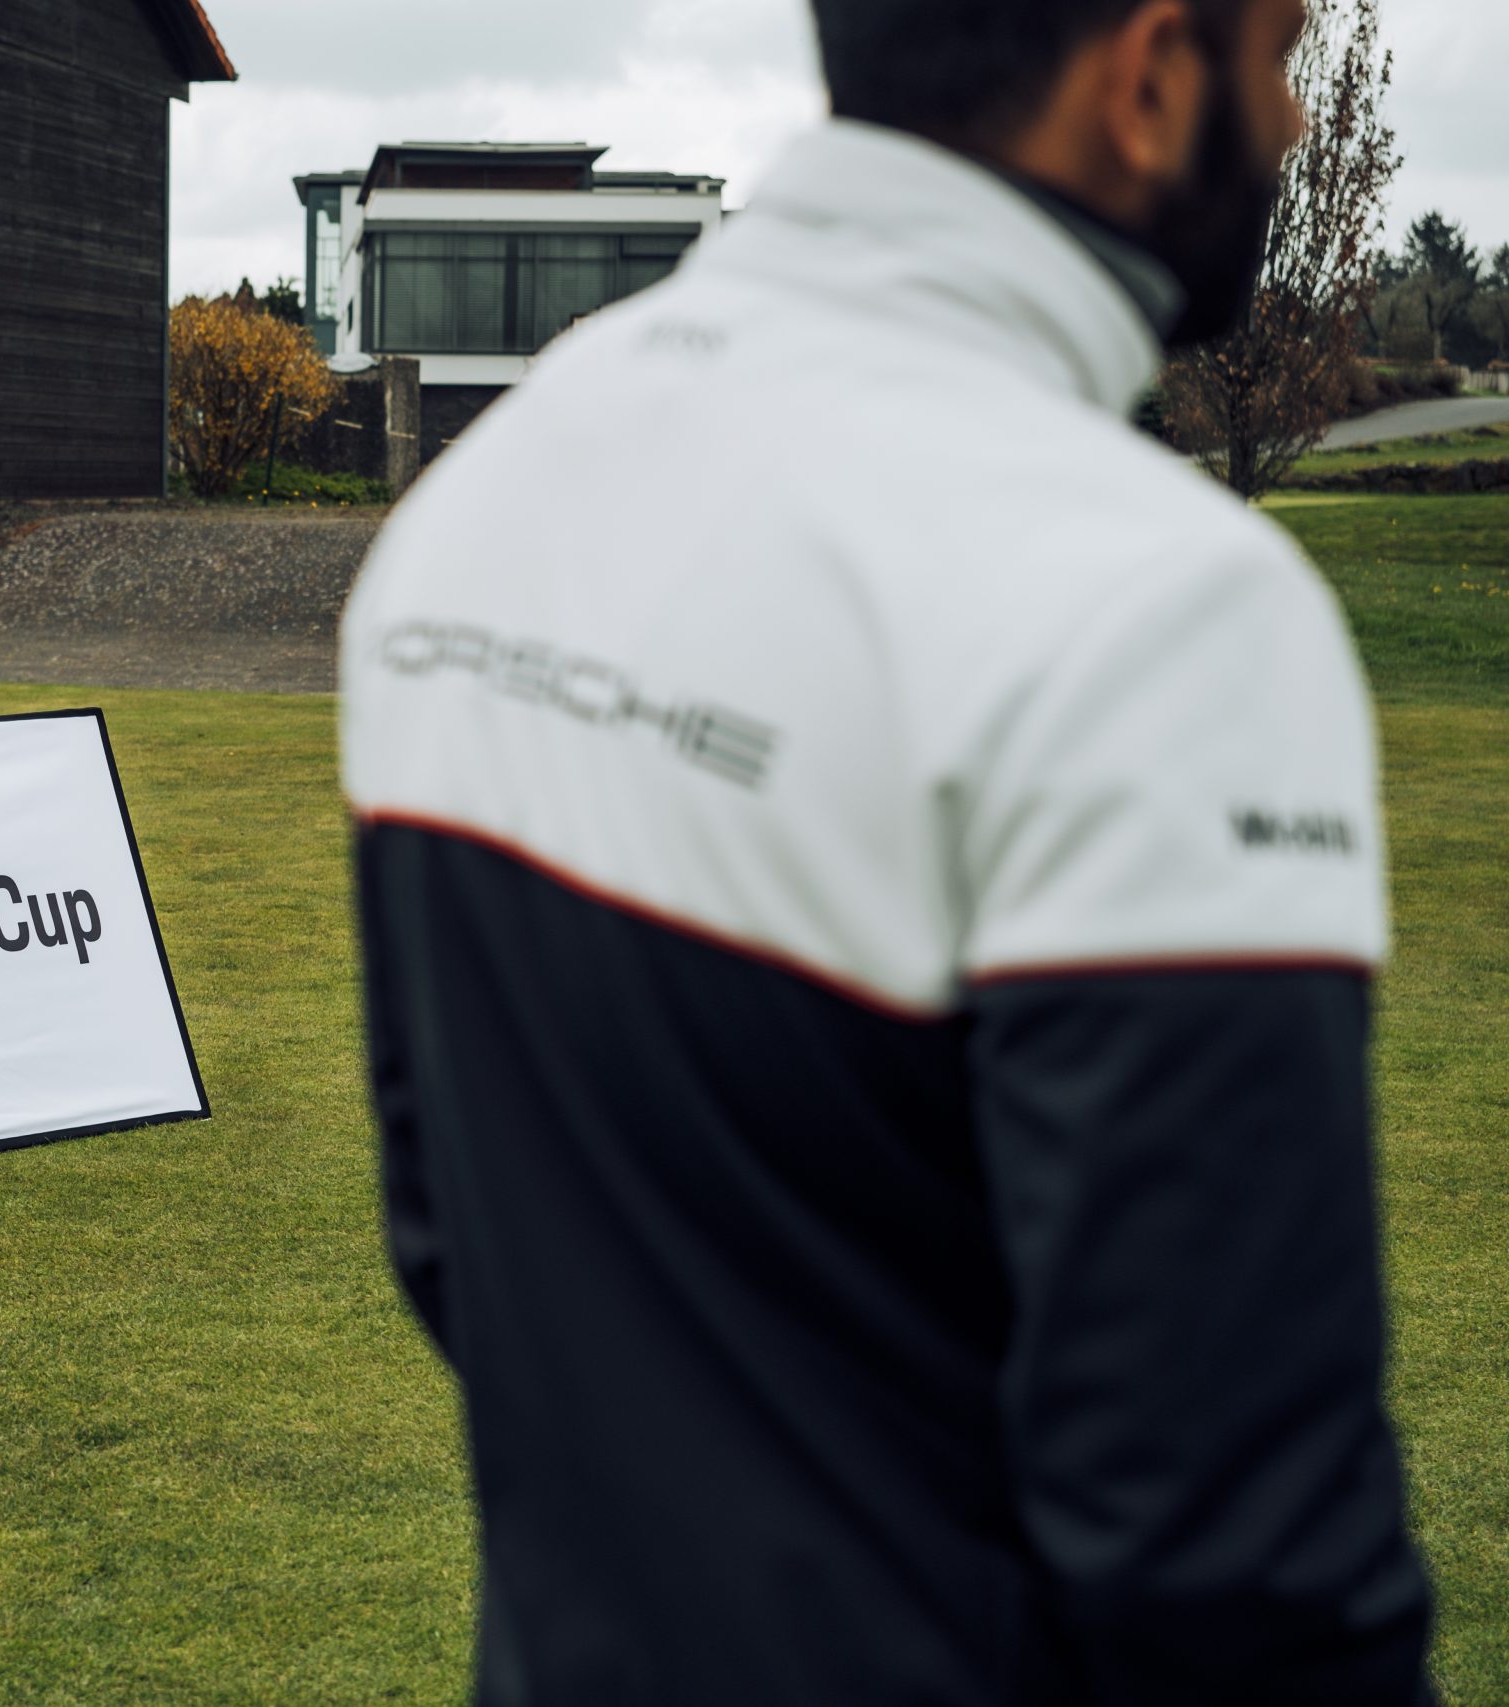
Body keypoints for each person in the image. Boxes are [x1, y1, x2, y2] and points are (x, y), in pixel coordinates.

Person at [340, 0, 1434, 1699]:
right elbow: (1239, 1575)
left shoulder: (481, 502)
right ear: (1150, 75)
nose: (1295, 123)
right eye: (1279, 54)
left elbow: (462, 1247)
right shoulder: (1156, 610)